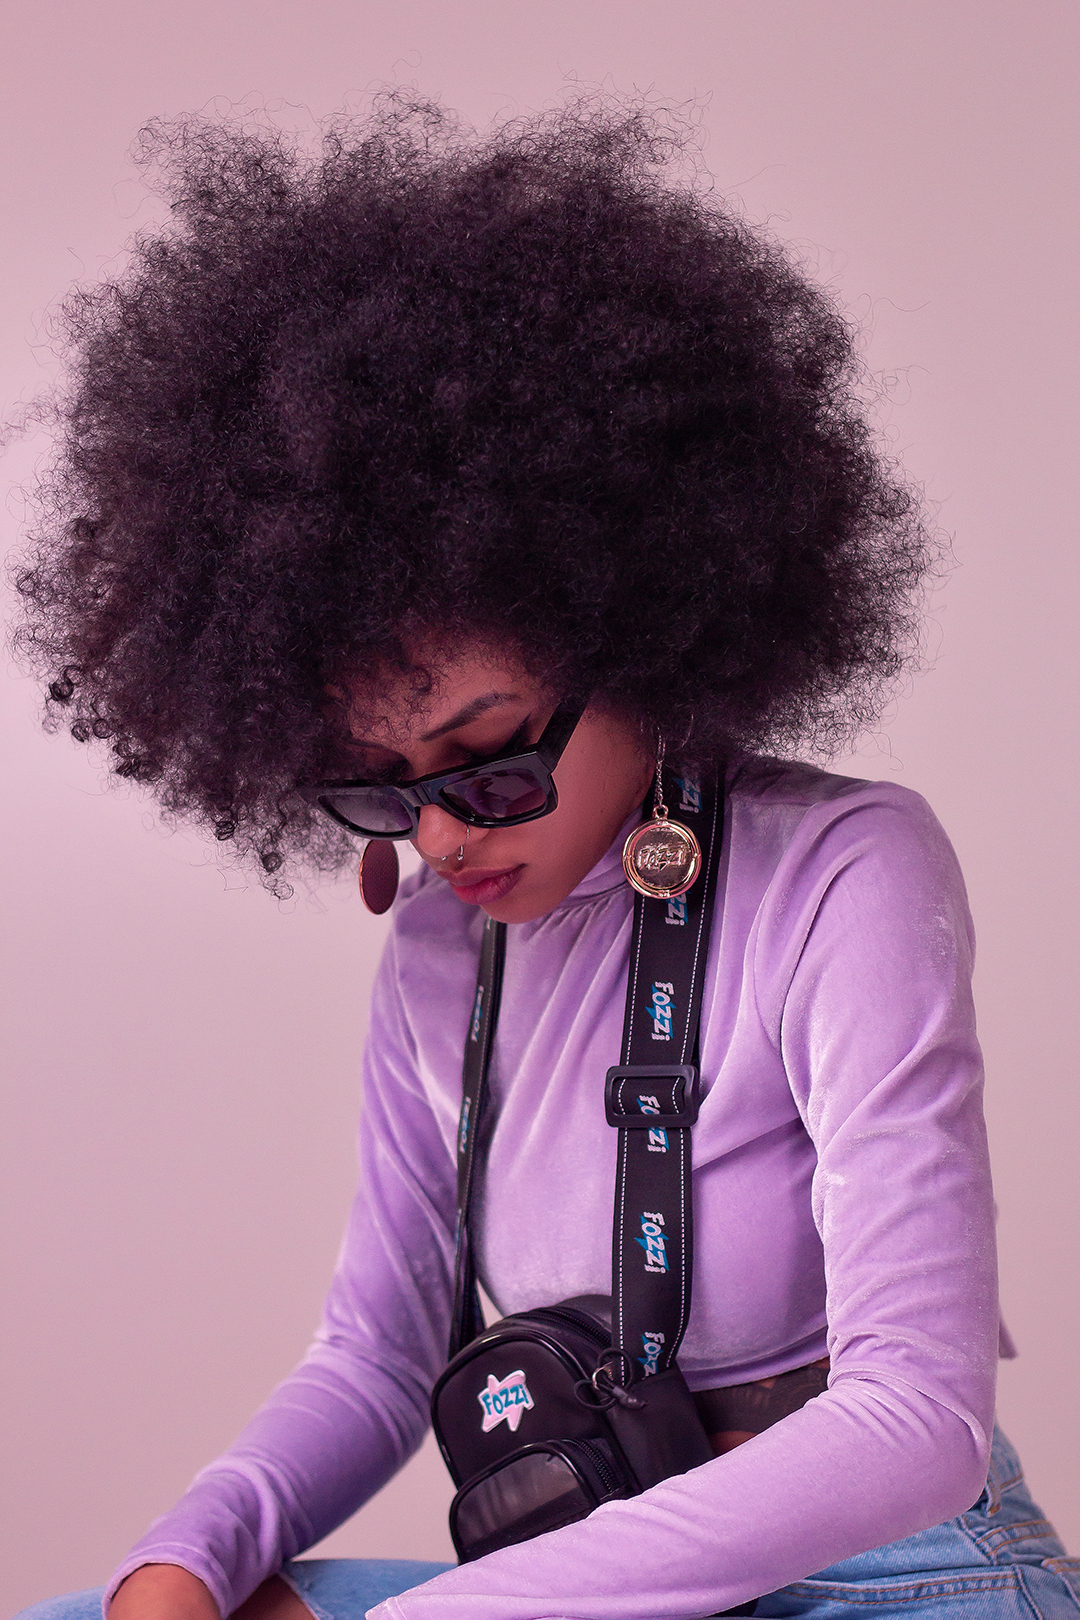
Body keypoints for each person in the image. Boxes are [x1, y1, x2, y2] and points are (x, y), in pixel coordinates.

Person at [13, 95, 1079, 1620]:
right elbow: (378, 1355)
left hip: (898, 1574)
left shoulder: (847, 870)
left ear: (644, 639)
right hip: (582, 1573)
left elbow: (916, 1419)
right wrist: (186, 1558)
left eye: (493, 759)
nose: (445, 836)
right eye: (382, 790)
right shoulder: (440, 951)